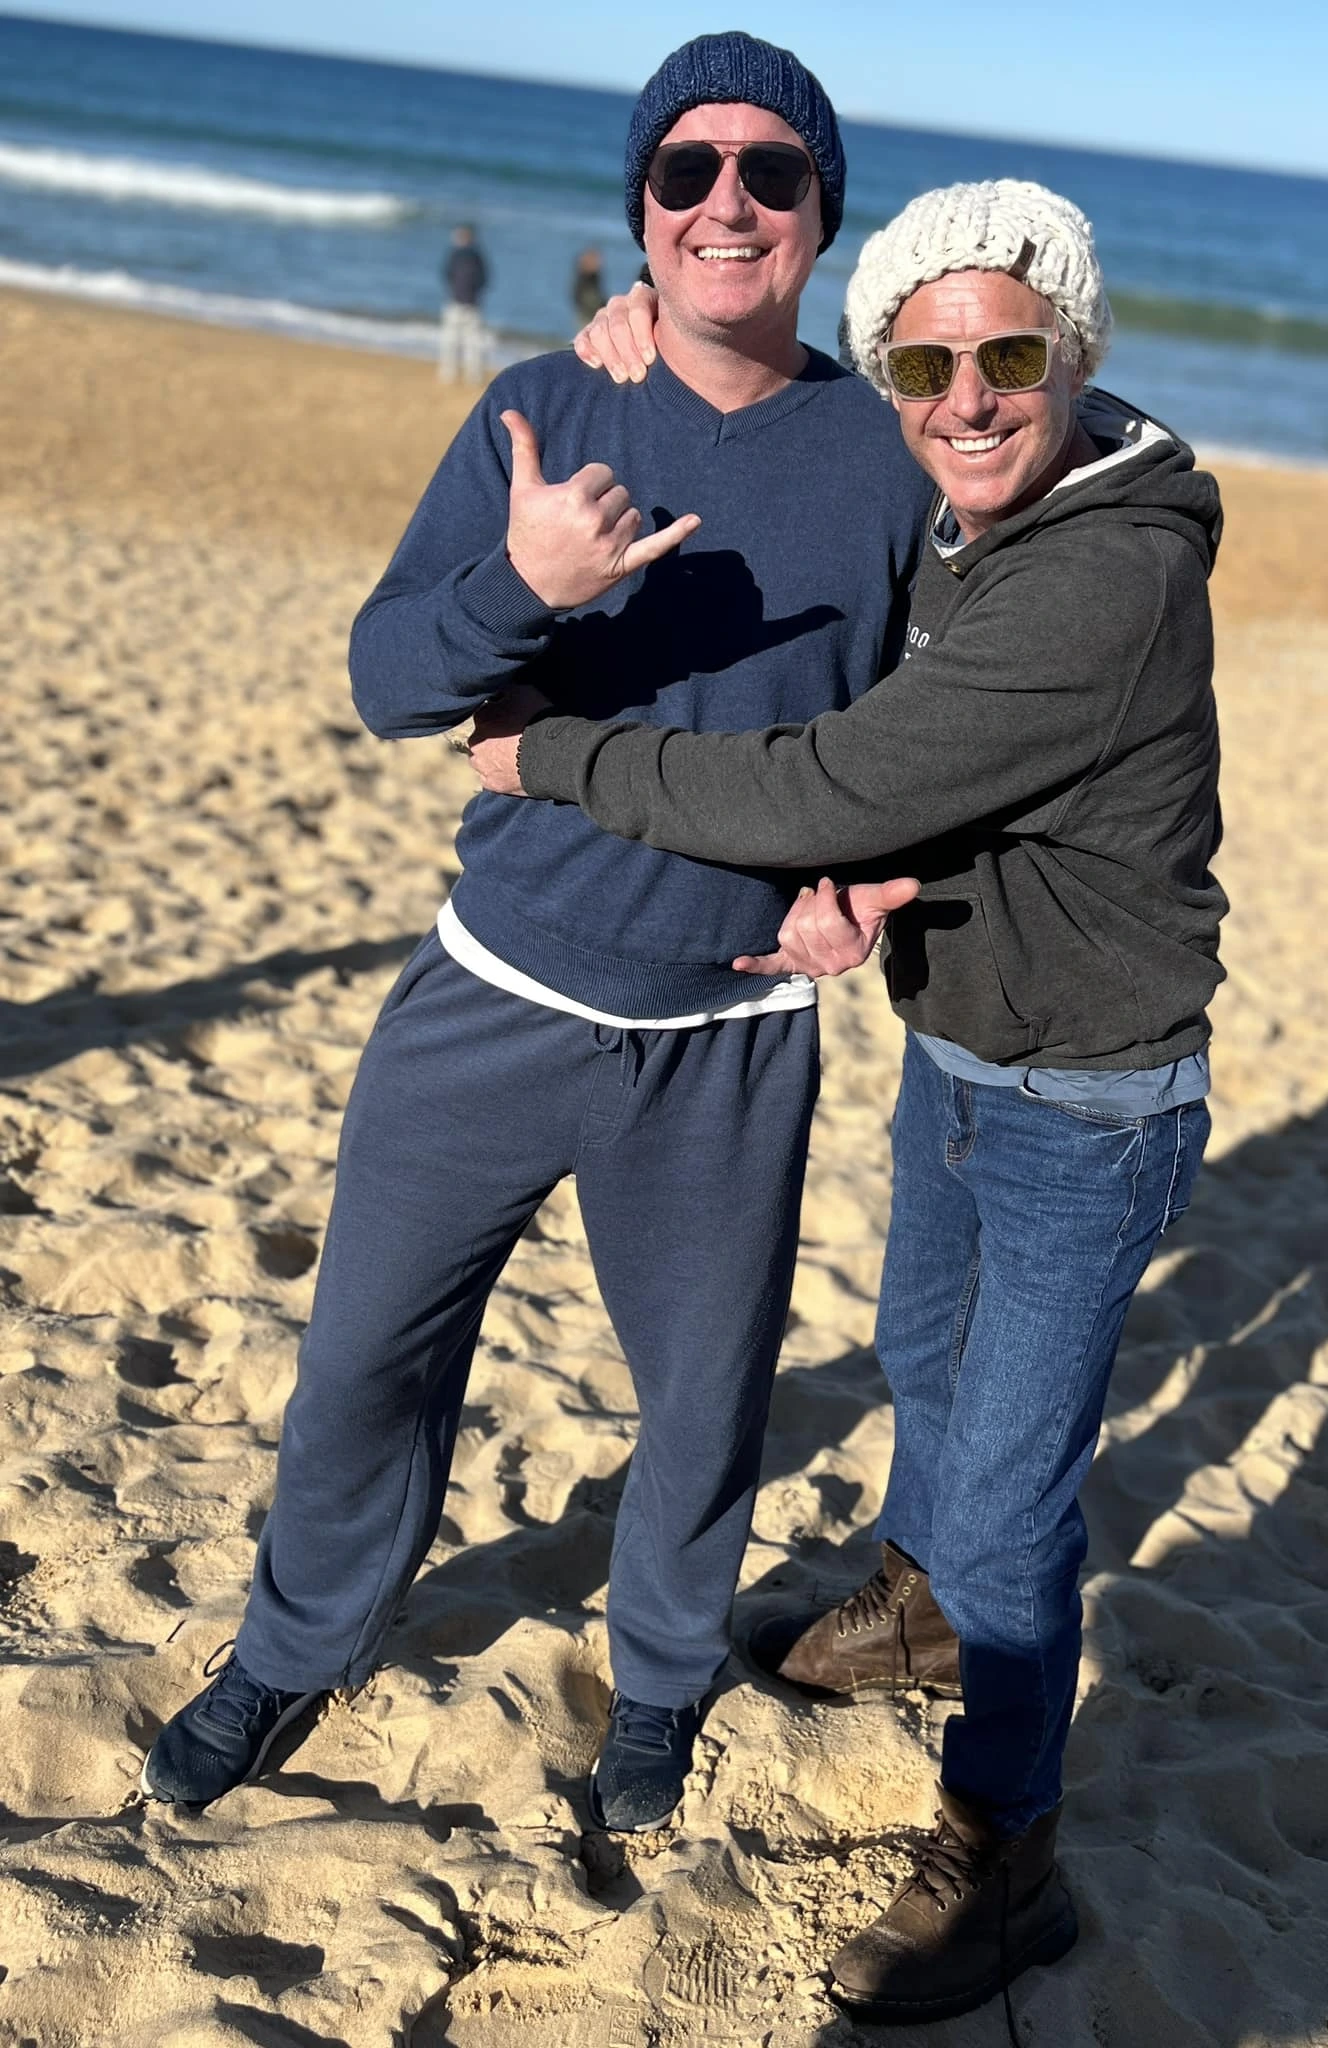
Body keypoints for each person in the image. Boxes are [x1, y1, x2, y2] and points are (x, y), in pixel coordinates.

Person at [139, 33, 930, 1835]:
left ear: (822, 214)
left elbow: (938, 723)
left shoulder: (892, 460)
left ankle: (657, 1682)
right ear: (639, 214)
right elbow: (384, 677)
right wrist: (529, 586)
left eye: (770, 175)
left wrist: (871, 882)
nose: (725, 203)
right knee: (361, 1359)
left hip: (722, 1040)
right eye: (685, 174)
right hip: (489, 993)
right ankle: (293, 1642)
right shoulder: (546, 405)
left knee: (704, 1402)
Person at [465, 177, 1226, 2025]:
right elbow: (950, 766)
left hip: (1088, 1093)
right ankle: (908, 1598)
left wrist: (546, 753)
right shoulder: (1011, 492)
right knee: (917, 1352)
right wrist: (647, 335)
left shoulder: (1105, 566)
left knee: (1020, 1495)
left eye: (1011, 355)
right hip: (966, 1034)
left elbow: (827, 783)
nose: (966, 398)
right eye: (923, 361)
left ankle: (1008, 1846)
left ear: (1078, 353)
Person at [439, 222, 489, 384]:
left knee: (465, 343)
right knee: (456, 342)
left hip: (465, 303)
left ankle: (464, 375)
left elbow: (447, 275)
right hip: (462, 303)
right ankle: (456, 375)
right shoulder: (470, 255)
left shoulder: (467, 255)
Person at [571, 245, 606, 330]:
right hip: (588, 317)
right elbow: (589, 300)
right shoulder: (584, 281)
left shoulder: (593, 277)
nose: (599, 263)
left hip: (590, 315)